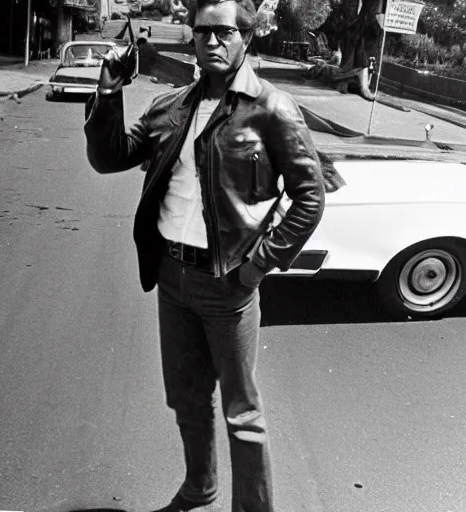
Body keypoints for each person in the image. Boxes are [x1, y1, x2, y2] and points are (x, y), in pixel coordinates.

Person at [84, 1, 325, 511]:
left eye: (224, 32)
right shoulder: (171, 106)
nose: (211, 41)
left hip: (229, 285)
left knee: (242, 413)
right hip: (172, 279)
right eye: (202, 33)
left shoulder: (273, 109)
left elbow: (310, 195)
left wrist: (259, 264)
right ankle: (200, 487)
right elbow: (109, 158)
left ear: (246, 39)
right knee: (187, 399)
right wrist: (109, 90)